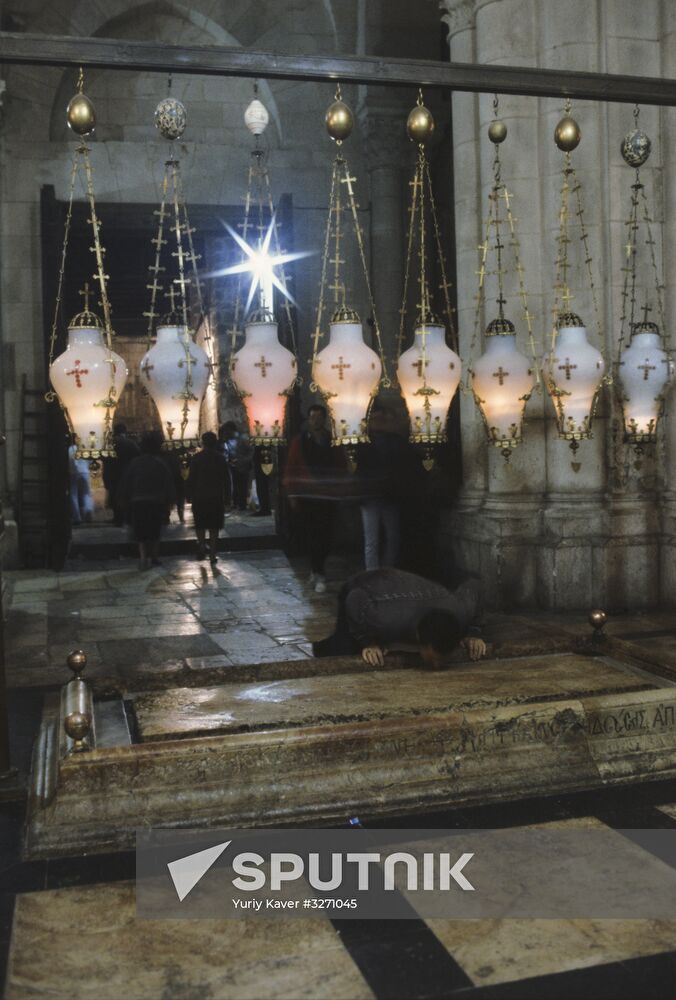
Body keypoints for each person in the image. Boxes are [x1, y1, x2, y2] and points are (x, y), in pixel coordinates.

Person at [312, 567, 486, 667]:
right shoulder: (384, 619)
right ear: (419, 639)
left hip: (405, 589)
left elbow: (475, 585)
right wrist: (367, 642)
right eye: (435, 659)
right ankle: (319, 648)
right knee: (345, 647)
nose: (436, 666)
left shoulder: (460, 610)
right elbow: (355, 599)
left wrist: (473, 632)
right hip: (363, 588)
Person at [283, 403, 344, 594]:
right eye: (312, 417)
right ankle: (318, 572)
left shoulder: (331, 439)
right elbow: (292, 466)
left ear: (324, 419)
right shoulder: (299, 441)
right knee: (313, 535)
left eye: (319, 417)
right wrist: (292, 493)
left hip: (327, 495)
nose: (316, 420)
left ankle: (317, 569)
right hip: (308, 496)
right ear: (308, 419)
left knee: (326, 535)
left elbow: (340, 464)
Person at [356, 403, 411, 570]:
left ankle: (388, 571)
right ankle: (372, 574)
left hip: (389, 494)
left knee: (393, 537)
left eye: (381, 418)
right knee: (371, 539)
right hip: (370, 495)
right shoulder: (362, 441)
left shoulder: (395, 440)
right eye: (375, 419)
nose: (378, 422)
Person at [117, 430, 175, 570]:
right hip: (156, 501)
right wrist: (170, 500)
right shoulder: (159, 463)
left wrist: (123, 499)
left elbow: (126, 482)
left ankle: (143, 559)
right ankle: (154, 556)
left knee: (141, 532)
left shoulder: (134, 463)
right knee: (155, 530)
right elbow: (167, 482)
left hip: (138, 501)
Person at [185, 431, 230, 563]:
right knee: (214, 526)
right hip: (215, 496)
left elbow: (191, 478)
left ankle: (201, 545)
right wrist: (228, 497)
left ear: (203, 442)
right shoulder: (220, 458)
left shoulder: (196, 458)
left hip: (199, 496)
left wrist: (188, 494)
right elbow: (226, 480)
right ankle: (212, 553)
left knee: (200, 524)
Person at [102, 423, 140, 526]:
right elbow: (138, 456)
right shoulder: (131, 443)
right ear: (125, 431)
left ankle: (118, 518)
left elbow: (106, 459)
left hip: (114, 473)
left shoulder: (110, 443)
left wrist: (106, 475)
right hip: (128, 472)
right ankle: (128, 518)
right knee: (127, 495)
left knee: (115, 495)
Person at [68, 436, 93, 525]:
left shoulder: (69, 449)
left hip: (72, 473)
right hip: (84, 472)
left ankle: (77, 517)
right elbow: (90, 461)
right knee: (86, 494)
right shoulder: (83, 449)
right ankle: (88, 512)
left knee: (73, 495)